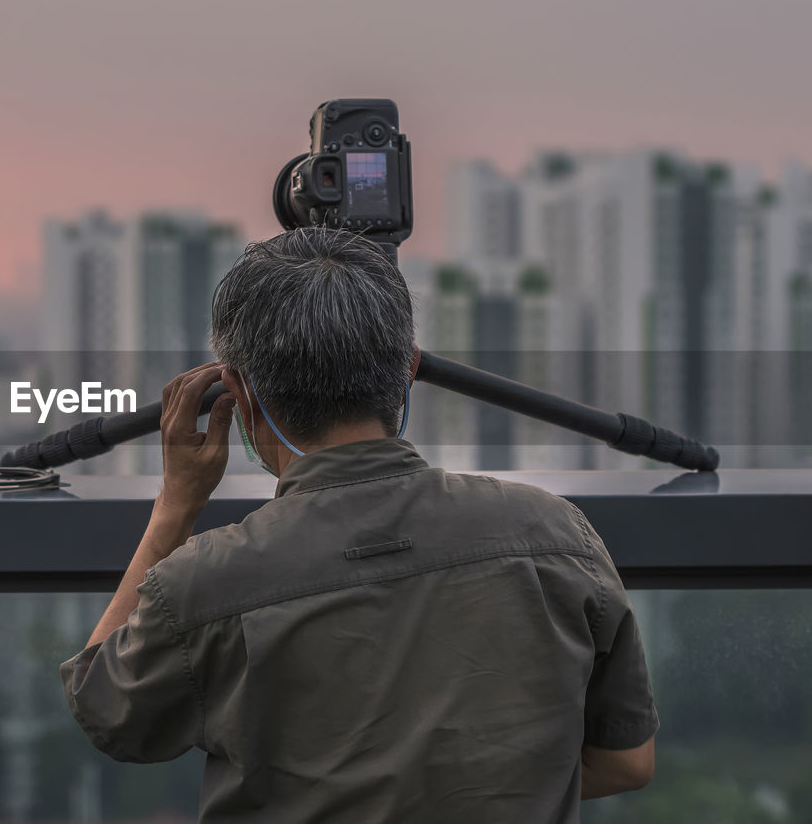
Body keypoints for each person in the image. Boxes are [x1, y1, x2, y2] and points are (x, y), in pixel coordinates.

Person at [60, 227, 658, 822]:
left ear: (238, 393)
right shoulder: (556, 535)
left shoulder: (205, 582)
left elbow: (107, 709)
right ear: (408, 372)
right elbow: (627, 762)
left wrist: (176, 504)